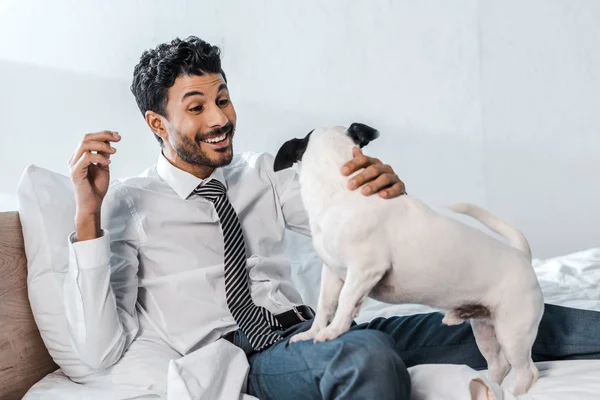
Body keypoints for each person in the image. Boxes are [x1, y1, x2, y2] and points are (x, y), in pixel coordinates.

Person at [66, 36, 600, 400]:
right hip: (250, 356)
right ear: (158, 122)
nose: (221, 118)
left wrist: (385, 191)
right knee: (366, 355)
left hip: (314, 329)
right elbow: (97, 348)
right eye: (197, 106)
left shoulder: (268, 174)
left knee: (518, 311)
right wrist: (87, 217)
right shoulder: (128, 204)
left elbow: (361, 230)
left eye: (223, 98)